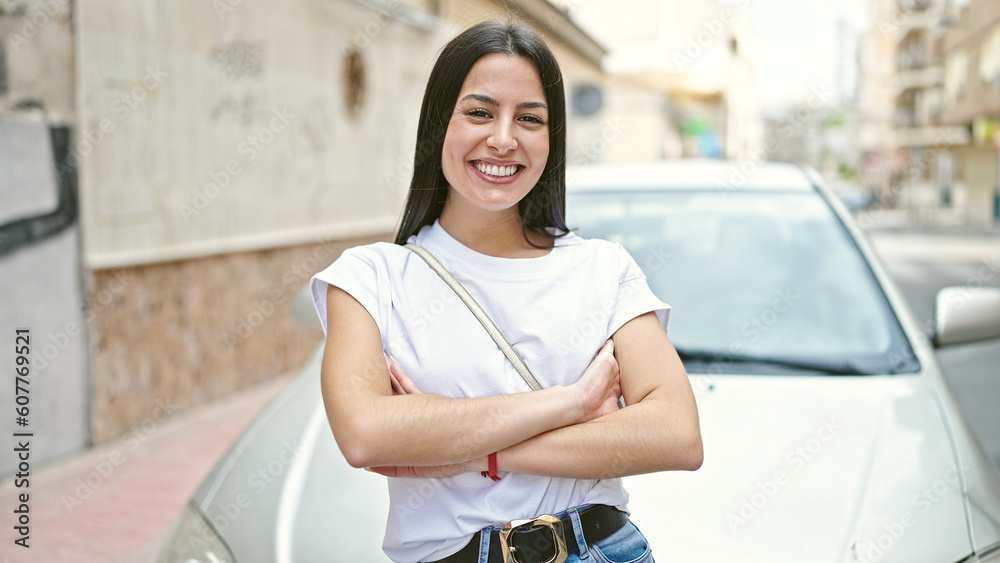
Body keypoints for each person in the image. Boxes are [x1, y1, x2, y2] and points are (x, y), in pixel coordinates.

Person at [310, 18, 702, 563]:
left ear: (551, 136)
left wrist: (464, 451)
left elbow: (676, 435)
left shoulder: (602, 268)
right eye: (479, 112)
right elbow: (365, 434)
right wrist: (573, 403)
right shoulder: (370, 278)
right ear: (437, 125)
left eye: (530, 119)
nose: (502, 138)